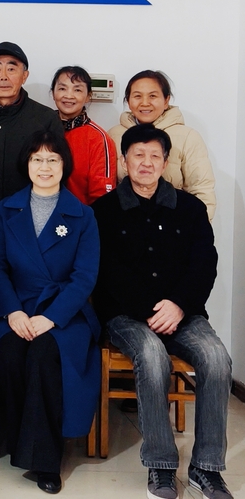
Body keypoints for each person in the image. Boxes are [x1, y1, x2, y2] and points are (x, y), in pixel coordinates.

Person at [93, 124, 232, 499]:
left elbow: (204, 264)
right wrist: (149, 310)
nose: (146, 162)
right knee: (152, 357)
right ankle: (161, 465)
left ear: (166, 161)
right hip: (126, 316)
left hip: (182, 312)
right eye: (138, 154)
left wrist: (178, 304)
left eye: (155, 155)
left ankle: (206, 469)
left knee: (217, 358)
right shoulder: (103, 211)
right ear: (125, 160)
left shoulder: (190, 208)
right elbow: (106, 272)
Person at [0, 130, 100, 494]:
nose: (45, 166)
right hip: (18, 306)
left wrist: (51, 317)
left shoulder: (82, 215)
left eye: (53, 159)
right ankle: (17, 440)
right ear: (27, 164)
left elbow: (85, 277)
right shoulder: (6, 210)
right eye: (37, 159)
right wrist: (12, 312)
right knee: (7, 351)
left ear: (65, 165)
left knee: (44, 353)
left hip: (65, 313)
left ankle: (46, 459)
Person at [0, 42, 63, 224]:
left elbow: (58, 172)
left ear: (24, 76)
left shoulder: (46, 119)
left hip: (29, 219)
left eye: (11, 69)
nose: (3, 77)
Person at [108, 70, 215, 219]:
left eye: (153, 96)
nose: (145, 103)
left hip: (175, 223)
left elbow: (202, 190)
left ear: (166, 100)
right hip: (125, 221)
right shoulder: (113, 135)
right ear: (128, 101)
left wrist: (195, 227)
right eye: (137, 96)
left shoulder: (188, 137)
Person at [50, 65, 116, 204]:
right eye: (62, 88)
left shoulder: (98, 138)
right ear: (53, 93)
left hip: (81, 215)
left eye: (77, 90)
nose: (69, 95)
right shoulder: (42, 130)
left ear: (88, 96)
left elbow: (102, 196)